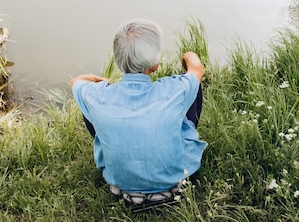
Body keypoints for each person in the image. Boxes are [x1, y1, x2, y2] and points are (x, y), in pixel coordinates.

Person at [70, 18, 207, 205]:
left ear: (118, 60)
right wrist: (188, 55)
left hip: (120, 181)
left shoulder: (98, 95)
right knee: (193, 86)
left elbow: (76, 81)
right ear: (155, 64)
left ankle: (116, 152)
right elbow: (196, 69)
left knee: (89, 104)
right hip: (174, 176)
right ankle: (175, 149)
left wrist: (105, 84)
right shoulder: (174, 90)